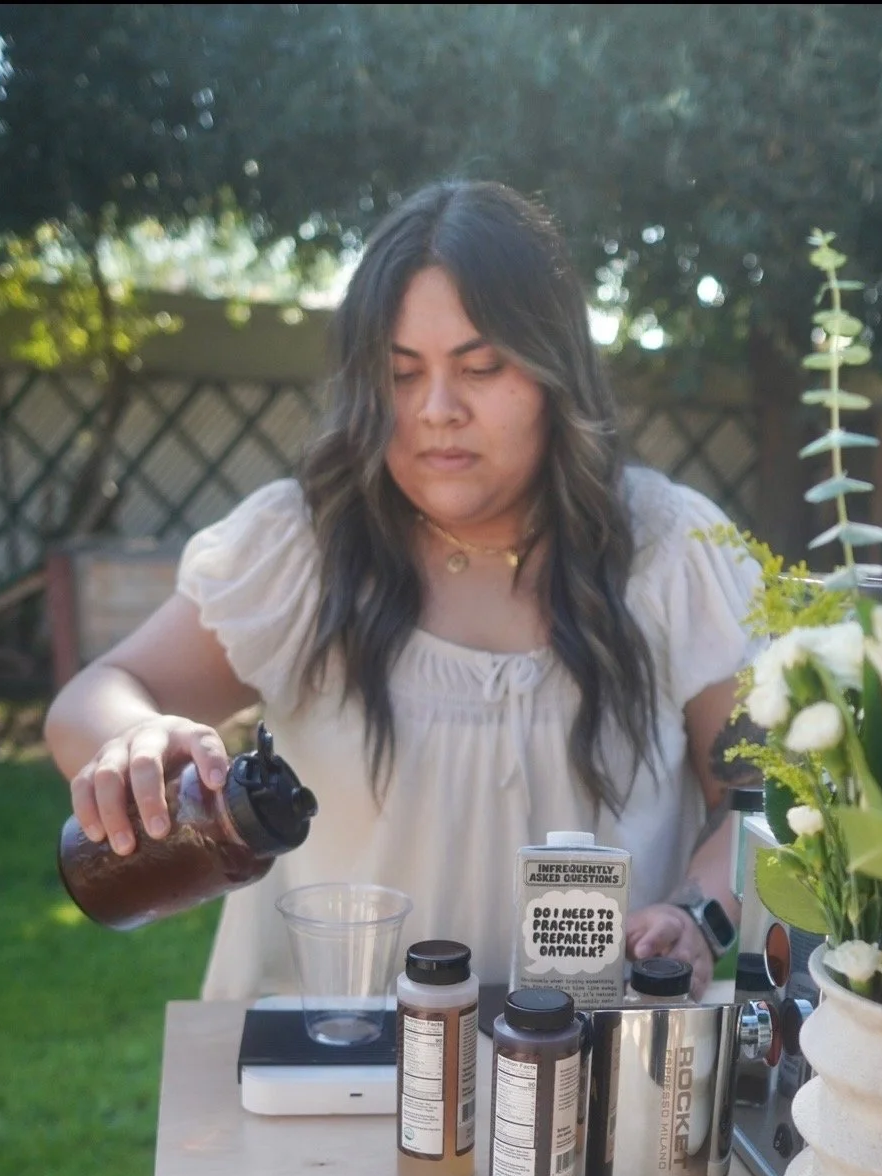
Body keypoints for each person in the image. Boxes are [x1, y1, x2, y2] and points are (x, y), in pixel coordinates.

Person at [44, 180, 759, 998]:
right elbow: (90, 699)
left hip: (585, 1079)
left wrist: (698, 917)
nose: (437, 410)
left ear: (557, 372)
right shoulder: (304, 546)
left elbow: (757, 800)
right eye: (401, 373)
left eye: (481, 366)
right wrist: (134, 737)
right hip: (325, 1072)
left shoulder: (667, 550)